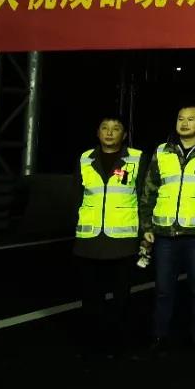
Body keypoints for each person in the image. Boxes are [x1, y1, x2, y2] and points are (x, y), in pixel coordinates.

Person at [139, 105, 195, 362]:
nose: (185, 123)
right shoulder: (161, 151)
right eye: (180, 119)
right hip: (165, 233)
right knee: (163, 289)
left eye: (191, 119)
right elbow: (148, 191)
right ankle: (159, 338)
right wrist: (147, 227)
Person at [73, 115, 143, 359]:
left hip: (122, 242)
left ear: (124, 134)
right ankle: (93, 345)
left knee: (121, 298)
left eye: (116, 128)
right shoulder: (85, 158)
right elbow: (76, 196)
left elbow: (143, 197)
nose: (110, 132)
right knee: (91, 298)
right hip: (89, 241)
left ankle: (119, 344)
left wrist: (144, 235)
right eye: (105, 128)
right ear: (98, 132)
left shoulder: (136, 158)